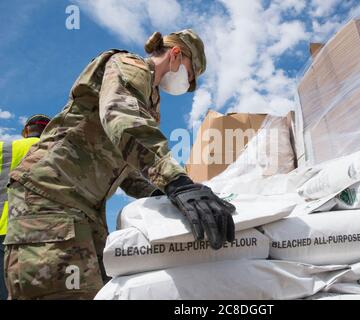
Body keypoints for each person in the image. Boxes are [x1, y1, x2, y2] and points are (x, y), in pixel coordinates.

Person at [4, 29, 236, 300]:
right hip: (52, 196)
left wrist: (160, 194)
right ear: (175, 55)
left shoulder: (149, 99)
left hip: (84, 208)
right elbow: (120, 115)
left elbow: (127, 165)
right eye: (190, 74)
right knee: (63, 292)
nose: (188, 83)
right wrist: (177, 181)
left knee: (99, 291)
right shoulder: (129, 65)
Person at [0, 115, 51, 300]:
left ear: (26, 130)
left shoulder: (5, 148)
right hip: (48, 234)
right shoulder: (60, 151)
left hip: (5, 231)